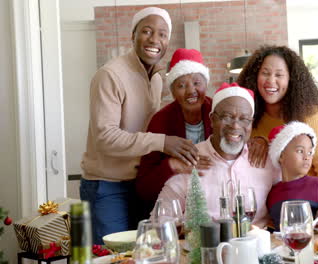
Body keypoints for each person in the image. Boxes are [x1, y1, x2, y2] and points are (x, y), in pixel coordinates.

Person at [80, 7, 199, 244]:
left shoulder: (156, 78)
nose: (155, 39)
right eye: (147, 31)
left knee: (142, 254)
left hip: (138, 185)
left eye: (162, 34)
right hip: (106, 187)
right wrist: (163, 142)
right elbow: (106, 138)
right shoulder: (110, 75)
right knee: (112, 256)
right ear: (132, 35)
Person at [157, 83, 280, 227]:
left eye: (244, 119)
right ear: (212, 119)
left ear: (251, 124)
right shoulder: (189, 160)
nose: (235, 126)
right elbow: (161, 219)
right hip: (205, 247)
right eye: (227, 117)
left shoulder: (266, 159)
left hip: (257, 246)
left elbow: (287, 201)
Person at [237, 45, 318, 201]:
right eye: (265, 73)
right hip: (267, 213)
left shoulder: (310, 116)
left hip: (309, 210)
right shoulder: (248, 118)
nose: (271, 81)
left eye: (279, 75)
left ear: (291, 79)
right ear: (255, 77)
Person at [136, 48, 214, 220]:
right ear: (172, 91)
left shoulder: (217, 113)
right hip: (173, 210)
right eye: (181, 85)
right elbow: (143, 188)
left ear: (206, 84)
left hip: (213, 203)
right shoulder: (160, 121)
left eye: (196, 82)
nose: (190, 91)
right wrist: (172, 165)